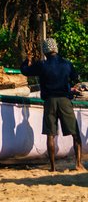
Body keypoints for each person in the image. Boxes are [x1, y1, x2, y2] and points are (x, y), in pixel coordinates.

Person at [21, 38, 83, 172]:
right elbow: (76, 78)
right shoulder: (66, 64)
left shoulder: (42, 65)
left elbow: (25, 71)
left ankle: (53, 167)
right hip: (65, 101)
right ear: (56, 49)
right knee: (75, 133)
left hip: (49, 102)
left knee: (50, 134)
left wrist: (27, 60)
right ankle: (78, 164)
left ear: (45, 51)